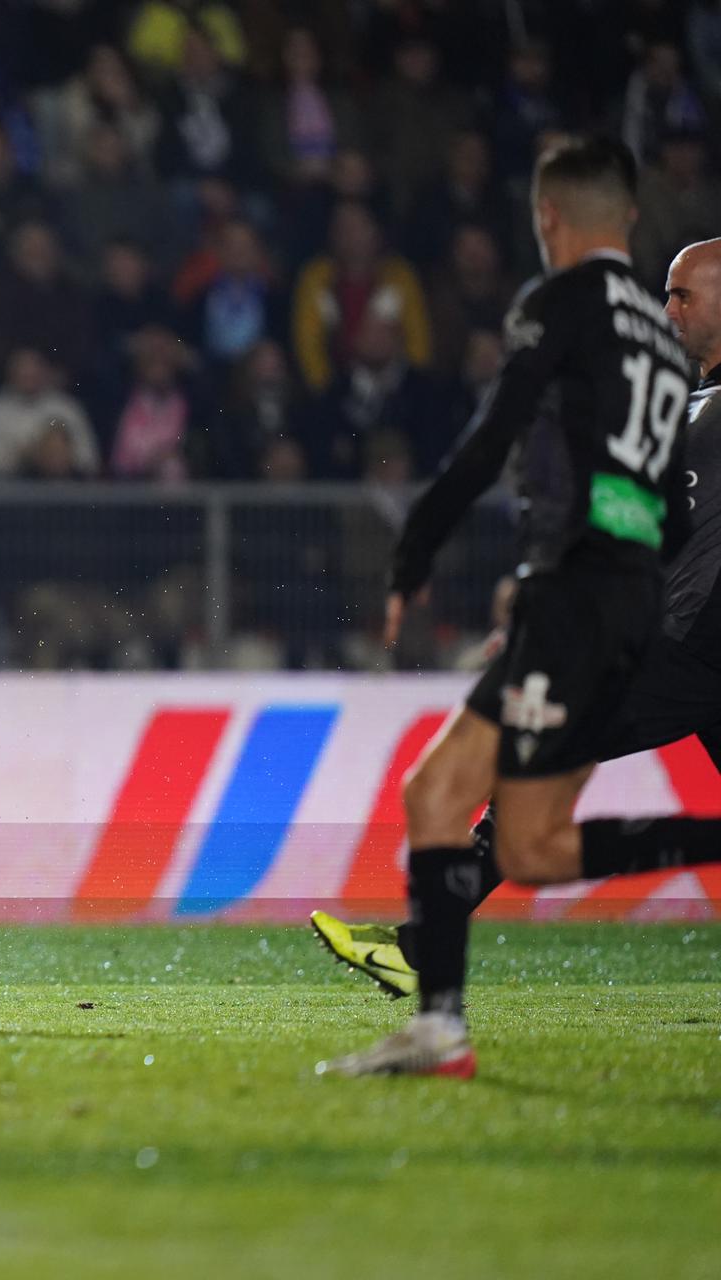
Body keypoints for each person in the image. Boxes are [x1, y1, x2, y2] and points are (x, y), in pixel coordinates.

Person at [318, 141, 721, 1079]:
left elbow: (543, 463)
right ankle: (433, 999)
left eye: (687, 295)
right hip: (676, 637)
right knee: (500, 804)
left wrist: (445, 553)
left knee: (511, 807)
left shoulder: (646, 371)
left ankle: (429, 983)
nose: (670, 310)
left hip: (672, 646)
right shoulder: (679, 388)